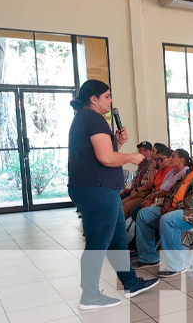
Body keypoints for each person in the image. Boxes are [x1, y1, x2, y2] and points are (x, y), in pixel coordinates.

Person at [67, 80, 158, 308]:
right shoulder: (93, 118)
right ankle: (89, 295)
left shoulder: (84, 118)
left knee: (117, 239)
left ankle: (130, 282)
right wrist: (131, 157)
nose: (110, 100)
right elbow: (106, 159)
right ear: (93, 99)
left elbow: (102, 152)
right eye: (107, 96)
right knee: (99, 242)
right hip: (97, 189)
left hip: (100, 188)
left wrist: (115, 142)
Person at [135, 140, 193, 277]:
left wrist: (176, 207)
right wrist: (166, 204)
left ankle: (175, 265)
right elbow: (173, 190)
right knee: (144, 214)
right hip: (174, 208)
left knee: (168, 220)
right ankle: (149, 258)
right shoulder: (191, 170)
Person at [122, 145, 171, 219]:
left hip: (152, 195)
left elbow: (149, 186)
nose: (158, 161)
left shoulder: (170, 171)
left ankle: (118, 228)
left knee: (130, 208)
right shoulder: (155, 168)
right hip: (147, 193)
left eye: (153, 151)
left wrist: (149, 198)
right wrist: (152, 170)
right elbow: (148, 183)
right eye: (158, 159)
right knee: (121, 204)